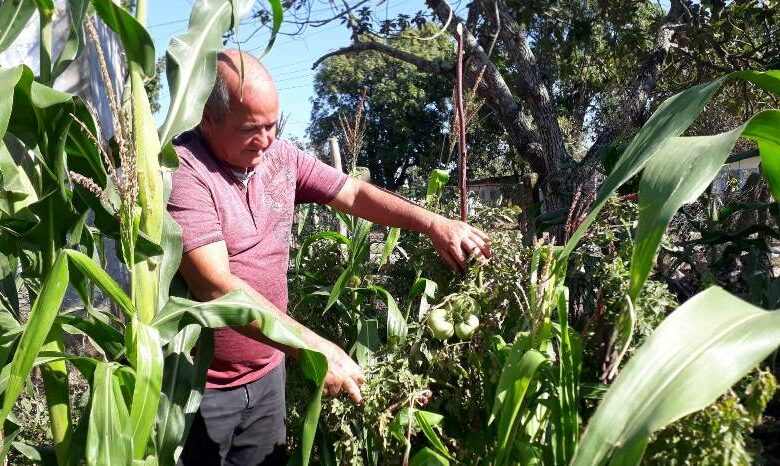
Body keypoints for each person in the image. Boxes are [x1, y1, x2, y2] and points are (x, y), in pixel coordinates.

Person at [168, 49, 492, 466]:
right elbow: (215, 286)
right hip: (200, 386)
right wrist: (316, 347)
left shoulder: (280, 157)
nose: (265, 140)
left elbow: (353, 192)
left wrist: (433, 223)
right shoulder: (184, 173)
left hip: (268, 373)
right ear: (207, 118)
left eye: (272, 126)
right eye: (251, 129)